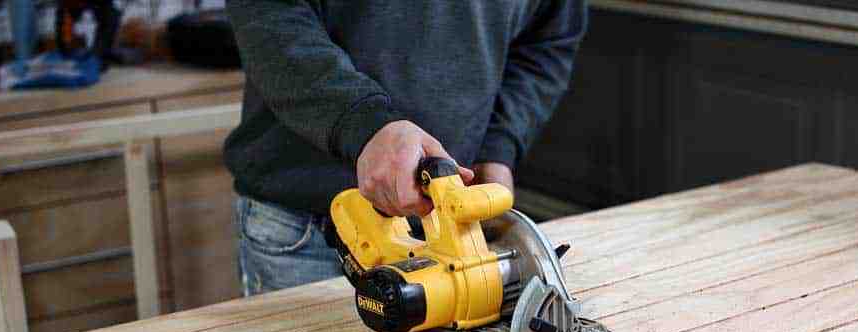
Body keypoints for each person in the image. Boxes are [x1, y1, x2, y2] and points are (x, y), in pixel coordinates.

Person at [224, 0, 586, 295]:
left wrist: (498, 146)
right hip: (309, 229)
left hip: (450, 226)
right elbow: (270, 16)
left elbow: (549, 38)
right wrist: (365, 125)